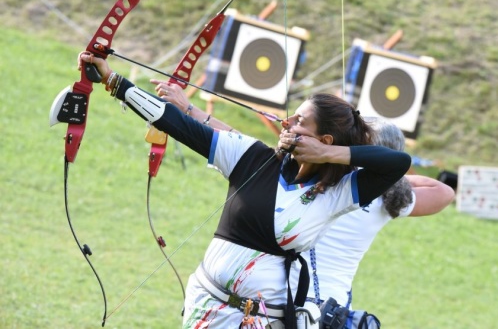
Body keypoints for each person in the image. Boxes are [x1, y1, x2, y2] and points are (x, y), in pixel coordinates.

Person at [76, 52, 412, 329]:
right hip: (206, 306)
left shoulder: (338, 192)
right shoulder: (251, 156)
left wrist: (328, 155)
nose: (286, 123)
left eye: (299, 121)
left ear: (324, 140)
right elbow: (176, 124)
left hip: (263, 321)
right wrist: (113, 81)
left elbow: (398, 162)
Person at [299, 119, 455, 328]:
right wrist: (392, 180)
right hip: (331, 306)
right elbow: (444, 193)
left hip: (290, 293)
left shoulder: (325, 175)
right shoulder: (385, 198)